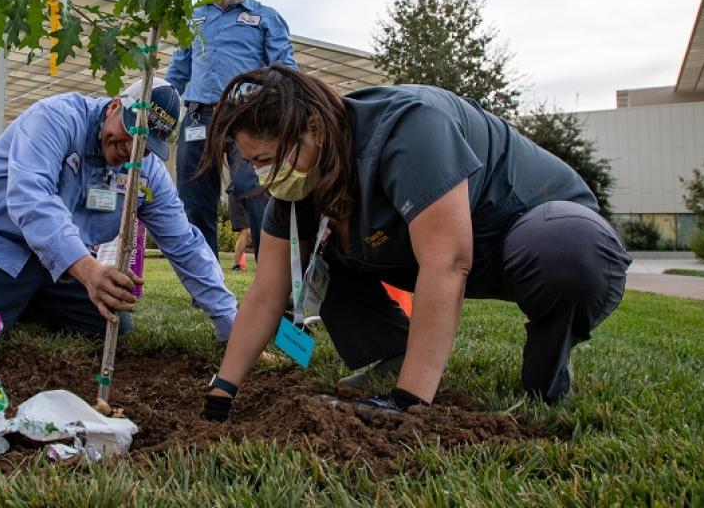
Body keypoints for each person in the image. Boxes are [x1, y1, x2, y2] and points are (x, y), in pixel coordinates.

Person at [197, 66, 630, 422]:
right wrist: (223, 389)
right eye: (252, 164)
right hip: (425, 246)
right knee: (318, 259)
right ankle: (394, 353)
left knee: (565, 252)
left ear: (313, 129)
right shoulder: (299, 187)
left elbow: (449, 261)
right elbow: (268, 292)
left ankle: (547, 371)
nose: (260, 176)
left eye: (266, 160)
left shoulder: (410, 126)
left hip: (525, 229)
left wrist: (407, 401)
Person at [0, 79, 236, 340]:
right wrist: (88, 271)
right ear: (114, 106)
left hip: (54, 260)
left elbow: (183, 242)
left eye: (144, 145)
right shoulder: (54, 119)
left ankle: (20, 294)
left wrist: (228, 321)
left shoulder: (146, 172)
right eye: (129, 130)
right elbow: (32, 199)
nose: (130, 148)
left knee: (112, 327)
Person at [166, 0, 296, 260]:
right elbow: (177, 74)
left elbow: (286, 70)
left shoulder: (267, 18)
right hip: (199, 117)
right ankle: (205, 281)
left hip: (248, 116)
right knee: (194, 197)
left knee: (253, 187)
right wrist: (154, 109)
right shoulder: (194, 17)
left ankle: (273, 274)